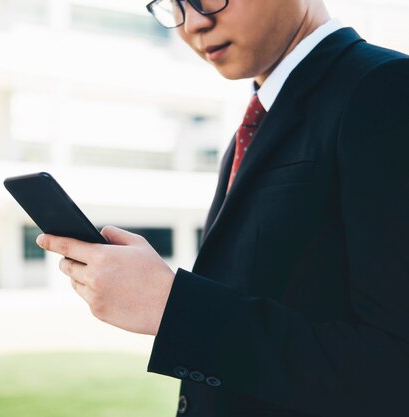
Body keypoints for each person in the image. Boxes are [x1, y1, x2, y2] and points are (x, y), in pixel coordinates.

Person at [36, 0, 409, 415]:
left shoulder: (388, 89)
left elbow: (395, 365)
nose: (193, 22)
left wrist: (173, 308)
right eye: (172, 5)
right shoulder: (258, 124)